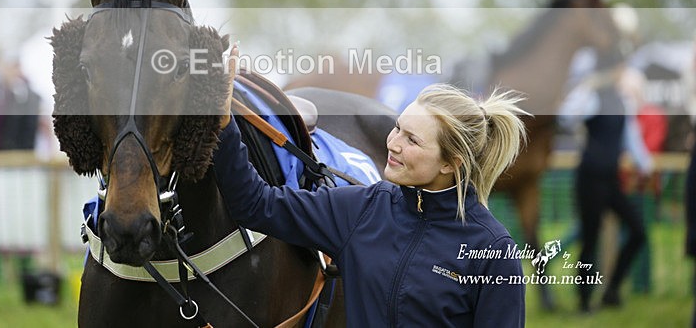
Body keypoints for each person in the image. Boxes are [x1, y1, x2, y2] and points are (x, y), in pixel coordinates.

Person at [212, 47, 528, 327]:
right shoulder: (361, 209)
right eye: (397, 129)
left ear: (451, 163)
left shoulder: (494, 250)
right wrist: (225, 125)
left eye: (412, 140)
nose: (393, 144)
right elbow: (256, 206)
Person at [559, 48, 653, 312]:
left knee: (638, 231)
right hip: (589, 177)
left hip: (610, 179)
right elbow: (566, 117)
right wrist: (586, 87)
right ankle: (584, 302)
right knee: (590, 239)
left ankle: (611, 290)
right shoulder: (593, 96)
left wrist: (646, 164)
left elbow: (630, 137)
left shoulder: (623, 101)